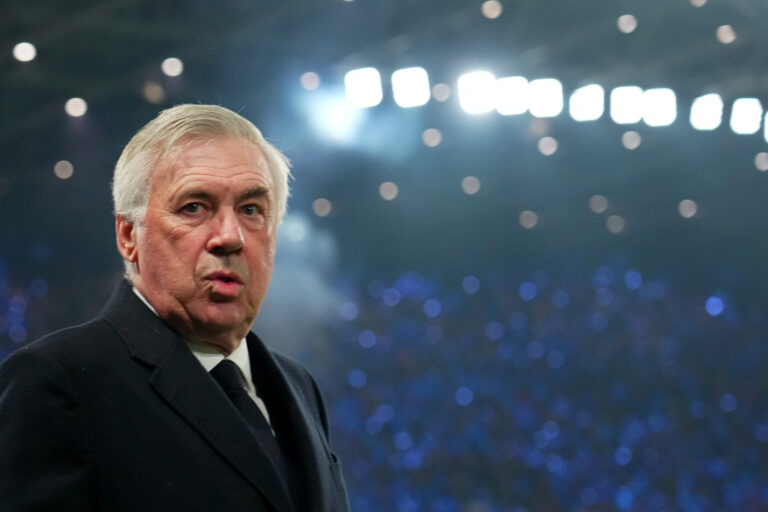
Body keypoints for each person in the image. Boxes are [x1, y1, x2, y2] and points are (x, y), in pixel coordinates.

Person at [0, 104, 350, 512]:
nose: (230, 237)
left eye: (251, 210)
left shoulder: (299, 386)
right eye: (194, 207)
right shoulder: (56, 382)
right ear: (128, 236)